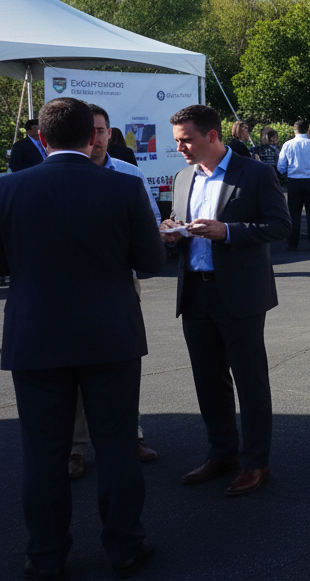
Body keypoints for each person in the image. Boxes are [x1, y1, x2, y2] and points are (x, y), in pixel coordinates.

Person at [0, 97, 166, 579]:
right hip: (110, 334)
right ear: (95, 136)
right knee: (115, 444)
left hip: (34, 336)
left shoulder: (8, 189)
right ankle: (124, 546)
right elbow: (152, 263)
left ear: (42, 138)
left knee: (43, 451)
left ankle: (46, 555)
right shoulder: (124, 187)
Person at [159, 105, 291, 496]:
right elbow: (175, 217)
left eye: (187, 139)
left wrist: (228, 231)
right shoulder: (183, 178)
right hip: (195, 290)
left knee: (250, 380)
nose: (181, 147)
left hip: (239, 292)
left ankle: (256, 462)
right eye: (177, 141)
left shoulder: (254, 173)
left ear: (212, 136)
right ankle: (223, 453)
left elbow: (280, 225)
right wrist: (171, 231)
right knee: (208, 379)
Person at [68, 105, 162, 481]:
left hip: (121, 281)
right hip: (70, 288)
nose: (96, 138)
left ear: (110, 133)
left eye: (102, 130)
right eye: (90, 130)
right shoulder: (60, 175)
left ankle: (131, 436)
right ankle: (76, 448)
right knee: (72, 367)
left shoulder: (129, 174)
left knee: (123, 364)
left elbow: (152, 222)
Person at [277, 120, 310, 251]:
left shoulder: (288, 145)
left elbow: (281, 166)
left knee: (294, 213)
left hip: (294, 181)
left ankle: (292, 243)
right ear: (308, 130)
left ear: (295, 130)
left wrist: (287, 172)